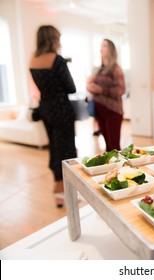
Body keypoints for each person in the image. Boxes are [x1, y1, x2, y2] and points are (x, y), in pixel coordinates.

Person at [29, 25, 77, 208]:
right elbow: (71, 87)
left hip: (46, 110)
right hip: (62, 110)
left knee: (54, 149)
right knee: (67, 151)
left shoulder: (33, 61)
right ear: (53, 39)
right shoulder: (57, 60)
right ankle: (68, 191)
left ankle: (58, 190)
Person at [86, 39, 125, 151]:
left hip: (113, 111)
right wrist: (90, 87)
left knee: (114, 147)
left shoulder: (116, 69)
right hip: (100, 110)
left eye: (104, 45)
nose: (101, 48)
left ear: (111, 50)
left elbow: (121, 90)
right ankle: (110, 168)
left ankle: (120, 167)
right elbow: (93, 84)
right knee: (108, 146)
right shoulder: (99, 69)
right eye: (101, 45)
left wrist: (101, 90)